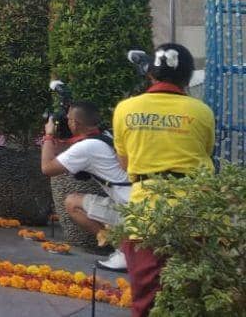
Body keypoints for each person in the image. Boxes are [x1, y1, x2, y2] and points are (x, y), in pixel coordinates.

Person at [112, 43, 215, 316]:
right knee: (189, 298)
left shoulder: (125, 109)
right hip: (193, 215)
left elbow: (126, 164)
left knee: (145, 300)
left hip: (146, 217)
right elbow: (204, 156)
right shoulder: (202, 112)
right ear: (188, 78)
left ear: (151, 75)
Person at [40, 100, 130, 272]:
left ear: (75, 123)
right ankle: (125, 247)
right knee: (75, 200)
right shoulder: (105, 136)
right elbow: (67, 153)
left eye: (68, 119)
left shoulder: (87, 147)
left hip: (129, 212)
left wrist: (49, 135)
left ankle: (123, 252)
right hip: (137, 203)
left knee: (72, 203)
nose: (66, 122)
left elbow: (47, 168)